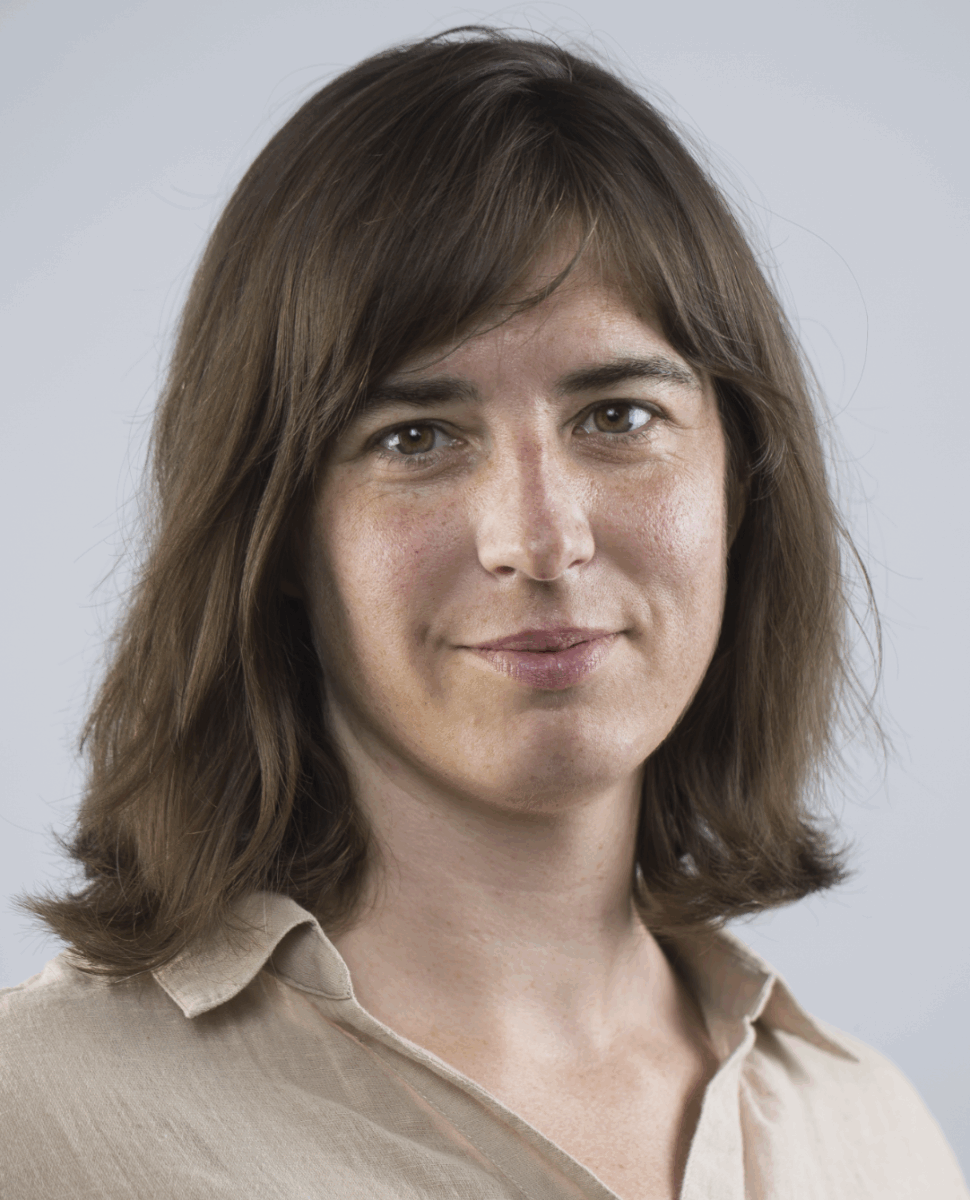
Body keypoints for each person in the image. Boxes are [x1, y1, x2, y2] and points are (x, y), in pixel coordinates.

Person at [1, 27, 966, 1200]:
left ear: (738, 476)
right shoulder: (33, 1117)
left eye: (616, 415)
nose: (540, 538)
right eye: (415, 438)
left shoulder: (871, 1139)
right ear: (279, 530)